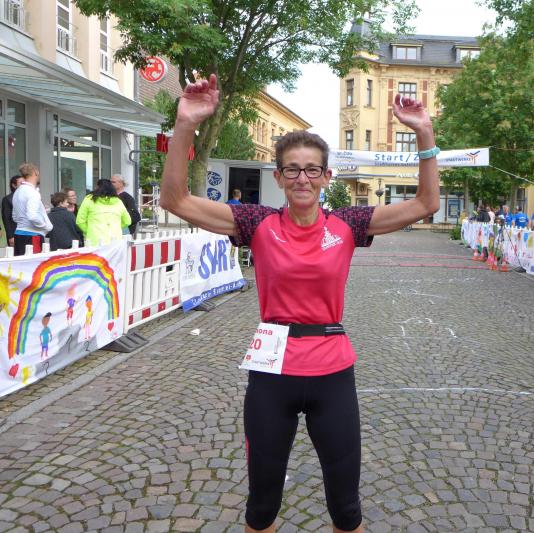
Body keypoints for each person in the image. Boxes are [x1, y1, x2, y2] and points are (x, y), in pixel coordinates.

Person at [159, 74, 439, 533]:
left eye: (312, 169)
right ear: (279, 177)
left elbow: (426, 203)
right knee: (261, 507)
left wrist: (424, 134)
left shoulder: (348, 223)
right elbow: (174, 199)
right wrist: (186, 123)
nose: (302, 178)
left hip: (332, 373)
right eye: (292, 169)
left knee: (346, 509)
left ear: (327, 176)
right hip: (272, 374)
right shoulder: (257, 223)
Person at [76, 179, 132, 246]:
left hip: (94, 240)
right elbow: (127, 221)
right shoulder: (118, 201)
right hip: (115, 240)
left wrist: (90, 230)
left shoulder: (89, 199)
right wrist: (116, 226)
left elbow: (80, 221)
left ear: (97, 187)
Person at [12, 163, 52, 255]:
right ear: (36, 172)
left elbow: (15, 216)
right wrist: (45, 226)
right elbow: (32, 216)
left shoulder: (17, 192)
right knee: (34, 263)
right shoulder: (33, 192)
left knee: (21, 263)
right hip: (32, 235)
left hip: (19, 234)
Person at [2, 174, 22, 247]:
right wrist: (10, 236)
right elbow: (6, 219)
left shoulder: (25, 197)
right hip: (14, 234)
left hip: (26, 232)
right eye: (21, 183)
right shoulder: (7, 199)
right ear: (14, 185)